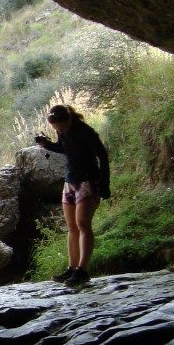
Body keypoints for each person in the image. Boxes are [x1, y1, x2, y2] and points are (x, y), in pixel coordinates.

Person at [34, 104, 110, 286]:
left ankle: (82, 270)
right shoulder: (63, 131)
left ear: (69, 119)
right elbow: (63, 148)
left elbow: (103, 156)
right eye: (56, 129)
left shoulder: (85, 132)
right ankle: (72, 267)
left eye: (60, 127)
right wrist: (47, 144)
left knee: (83, 224)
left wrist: (104, 184)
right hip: (70, 181)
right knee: (71, 227)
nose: (59, 130)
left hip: (88, 181)